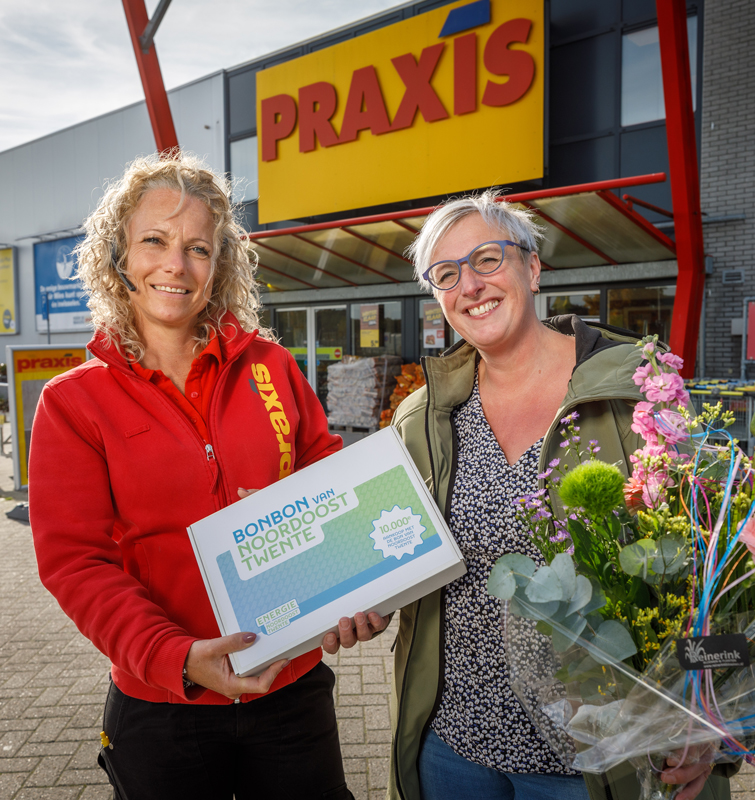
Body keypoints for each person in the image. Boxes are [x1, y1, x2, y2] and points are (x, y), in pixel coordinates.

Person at [28, 152, 386, 800]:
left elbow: (327, 479)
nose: (176, 264)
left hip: (290, 688)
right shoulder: (74, 402)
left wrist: (357, 589)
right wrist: (175, 658)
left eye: (198, 247)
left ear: (220, 265)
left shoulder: (270, 366)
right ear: (118, 255)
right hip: (163, 703)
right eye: (155, 241)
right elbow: (75, 564)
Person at [387, 191, 735, 800]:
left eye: (488, 259)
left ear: (532, 267)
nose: (470, 284)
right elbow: (396, 559)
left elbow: (723, 578)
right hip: (453, 748)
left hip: (601, 761)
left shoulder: (639, 395)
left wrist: (711, 716)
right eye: (447, 274)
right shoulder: (422, 417)